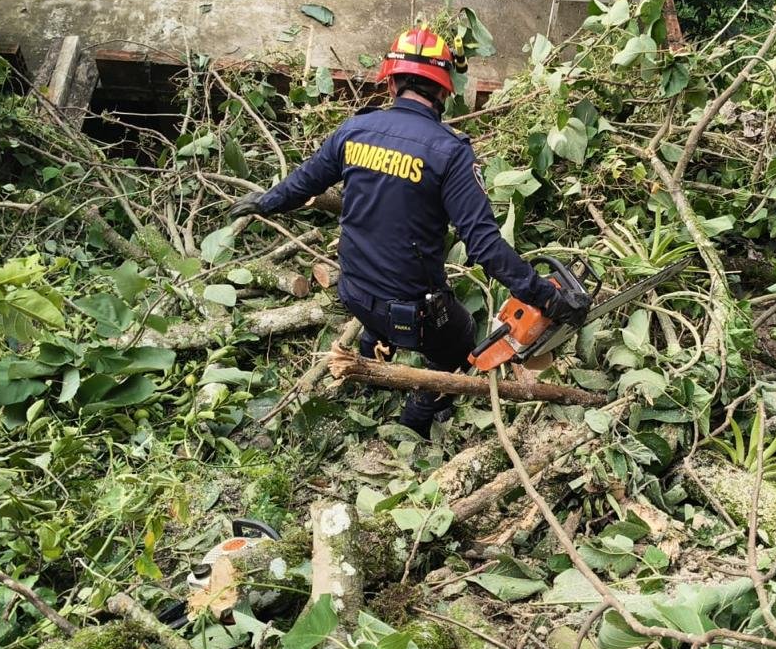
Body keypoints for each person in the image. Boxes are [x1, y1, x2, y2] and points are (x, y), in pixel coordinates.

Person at [228, 26, 589, 438]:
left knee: (379, 305)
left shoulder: (353, 131)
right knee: (460, 341)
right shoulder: (449, 152)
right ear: (443, 91)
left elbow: (301, 185)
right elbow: (485, 246)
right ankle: (413, 424)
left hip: (353, 291)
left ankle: (370, 356)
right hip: (410, 314)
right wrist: (546, 297)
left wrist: (263, 201)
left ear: (393, 82)